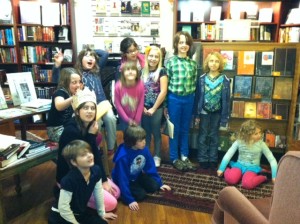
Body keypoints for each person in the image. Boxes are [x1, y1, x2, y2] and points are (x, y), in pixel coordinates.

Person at [56, 88, 120, 212]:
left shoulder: (90, 126)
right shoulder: (71, 131)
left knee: (116, 193)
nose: (90, 111)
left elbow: (94, 156)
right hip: (72, 177)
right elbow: (84, 159)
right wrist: (91, 137)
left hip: (87, 170)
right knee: (112, 204)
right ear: (77, 111)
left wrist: (104, 180)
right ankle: (74, 198)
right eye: (85, 108)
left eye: (92, 108)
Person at [52, 48, 116, 155]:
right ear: (80, 59)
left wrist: (88, 49)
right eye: (86, 56)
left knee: (111, 118)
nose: (90, 58)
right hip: (88, 105)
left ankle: (110, 147)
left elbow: (104, 54)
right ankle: (94, 147)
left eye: (92, 56)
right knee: (95, 123)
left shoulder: (97, 70)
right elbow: (57, 80)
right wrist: (57, 65)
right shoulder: (76, 73)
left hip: (102, 104)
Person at [48, 140, 117, 224]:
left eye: (89, 152)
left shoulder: (96, 170)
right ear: (74, 162)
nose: (89, 156)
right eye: (83, 155)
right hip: (61, 216)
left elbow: (98, 192)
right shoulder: (69, 180)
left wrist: (102, 213)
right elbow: (63, 208)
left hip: (79, 213)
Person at [112, 125, 171, 211]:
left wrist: (160, 183)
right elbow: (122, 178)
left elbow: (150, 167)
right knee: (141, 195)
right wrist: (129, 200)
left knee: (155, 186)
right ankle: (121, 192)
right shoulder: (123, 156)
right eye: (141, 140)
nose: (144, 142)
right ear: (132, 142)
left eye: (144, 139)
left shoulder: (144, 149)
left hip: (136, 176)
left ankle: (136, 187)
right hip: (124, 179)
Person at [165, 31, 198, 172]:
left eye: (186, 43)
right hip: (174, 99)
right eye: (181, 42)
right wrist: (166, 104)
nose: (184, 45)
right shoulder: (170, 62)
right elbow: (165, 85)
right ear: (176, 45)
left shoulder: (193, 64)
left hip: (189, 99)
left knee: (185, 129)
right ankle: (174, 157)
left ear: (189, 45)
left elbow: (195, 83)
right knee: (174, 129)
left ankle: (185, 156)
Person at [194, 51, 231, 170]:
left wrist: (225, 117)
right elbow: (198, 96)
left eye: (216, 61)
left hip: (217, 112)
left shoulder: (224, 79)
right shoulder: (202, 78)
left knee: (214, 136)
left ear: (220, 63)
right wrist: (197, 114)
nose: (214, 64)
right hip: (204, 111)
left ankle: (213, 159)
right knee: (203, 135)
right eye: (211, 61)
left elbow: (226, 99)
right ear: (207, 63)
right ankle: (203, 158)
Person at [217, 120, 278, 190]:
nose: (260, 135)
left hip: (252, 167)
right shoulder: (239, 141)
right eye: (256, 134)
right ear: (247, 135)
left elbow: (272, 159)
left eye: (260, 132)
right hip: (239, 165)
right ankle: (227, 168)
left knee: (247, 184)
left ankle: (264, 176)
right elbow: (228, 154)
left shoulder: (262, 144)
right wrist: (221, 168)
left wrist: (274, 176)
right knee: (231, 179)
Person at [141, 45, 168, 167]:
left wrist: (154, 108)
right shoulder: (142, 71)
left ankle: (157, 155)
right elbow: (139, 90)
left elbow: (163, 91)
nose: (153, 58)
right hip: (144, 108)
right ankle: (146, 155)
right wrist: (142, 107)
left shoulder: (162, 71)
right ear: (147, 57)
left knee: (156, 132)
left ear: (159, 58)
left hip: (156, 108)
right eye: (151, 56)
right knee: (145, 133)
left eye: (156, 56)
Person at [46, 67, 82, 142]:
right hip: (56, 129)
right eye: (74, 82)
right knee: (77, 140)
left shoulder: (72, 93)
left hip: (69, 126)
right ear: (65, 83)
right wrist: (74, 97)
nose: (78, 85)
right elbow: (59, 106)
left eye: (79, 82)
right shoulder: (60, 92)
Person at [114, 62, 144, 131]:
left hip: (137, 117)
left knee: (137, 137)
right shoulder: (118, 86)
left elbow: (141, 103)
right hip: (124, 117)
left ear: (137, 72)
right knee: (127, 136)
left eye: (133, 69)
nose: (130, 72)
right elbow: (118, 105)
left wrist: (137, 119)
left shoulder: (141, 84)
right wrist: (127, 119)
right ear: (123, 73)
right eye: (127, 70)